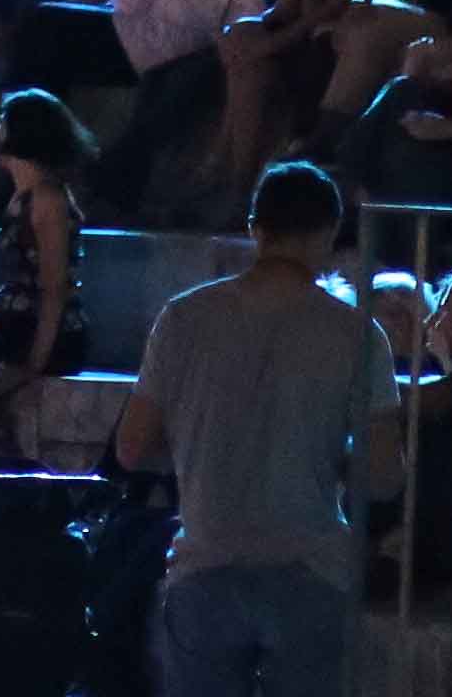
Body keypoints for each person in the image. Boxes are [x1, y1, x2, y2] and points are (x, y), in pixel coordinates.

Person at [113, 163, 396, 697]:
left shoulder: (182, 318)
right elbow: (383, 477)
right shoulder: (360, 335)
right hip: (312, 575)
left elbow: (130, 449)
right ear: (330, 232)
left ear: (254, 228)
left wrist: (199, 446)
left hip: (204, 568)